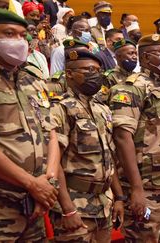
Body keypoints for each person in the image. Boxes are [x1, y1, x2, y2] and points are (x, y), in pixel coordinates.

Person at [108, 34, 160, 243]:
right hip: (147, 188)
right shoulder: (131, 88)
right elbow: (122, 137)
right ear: (145, 58)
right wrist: (136, 189)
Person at [0, 8, 59, 241]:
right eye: (9, 34)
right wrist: (32, 184)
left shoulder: (32, 80)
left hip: (34, 205)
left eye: (22, 35)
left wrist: (48, 184)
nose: (18, 41)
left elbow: (51, 135)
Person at [48, 49, 124, 242]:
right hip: (76, 204)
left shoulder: (102, 109)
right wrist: (67, 208)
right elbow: (54, 162)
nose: (94, 75)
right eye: (88, 69)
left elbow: (109, 157)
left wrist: (119, 197)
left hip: (103, 204)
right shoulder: (60, 108)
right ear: (70, 74)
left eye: (97, 70)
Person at [100, 39, 137, 103]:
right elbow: (103, 99)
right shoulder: (109, 77)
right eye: (131, 53)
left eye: (136, 53)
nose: (135, 57)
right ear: (118, 56)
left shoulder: (137, 75)